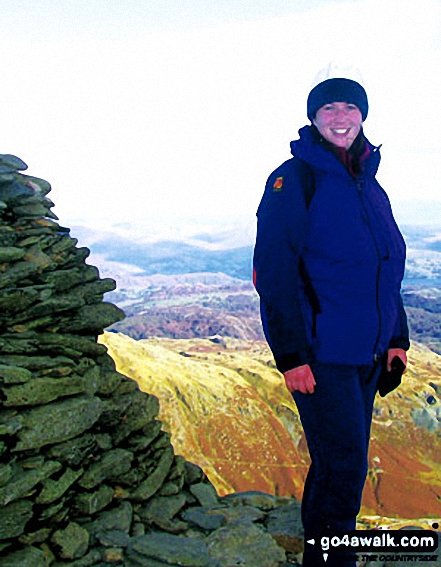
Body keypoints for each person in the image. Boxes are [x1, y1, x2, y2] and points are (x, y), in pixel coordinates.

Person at [253, 77, 409, 566]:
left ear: (363, 116)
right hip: (323, 355)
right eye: (328, 108)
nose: (340, 117)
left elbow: (384, 264)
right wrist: (292, 355)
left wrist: (397, 337)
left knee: (337, 465)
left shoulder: (367, 179)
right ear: (313, 117)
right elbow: (274, 273)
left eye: (350, 108)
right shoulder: (294, 179)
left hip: (367, 351)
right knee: (344, 470)